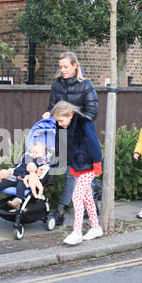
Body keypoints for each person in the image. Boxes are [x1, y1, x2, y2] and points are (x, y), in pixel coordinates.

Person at [42, 51, 99, 226]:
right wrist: (48, 114)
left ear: (75, 66)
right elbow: (52, 108)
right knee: (76, 173)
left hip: (80, 137)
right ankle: (94, 205)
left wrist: (77, 124)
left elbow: (92, 111)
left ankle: (60, 212)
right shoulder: (57, 85)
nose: (63, 70)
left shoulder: (86, 85)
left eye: (66, 66)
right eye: (60, 67)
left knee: (71, 174)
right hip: (61, 135)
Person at [51, 101, 103, 245]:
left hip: (89, 165)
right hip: (78, 166)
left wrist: (97, 163)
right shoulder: (63, 126)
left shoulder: (84, 123)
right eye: (57, 121)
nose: (60, 124)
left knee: (76, 196)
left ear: (70, 114)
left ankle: (77, 232)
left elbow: (93, 144)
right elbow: (61, 146)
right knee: (87, 198)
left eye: (61, 120)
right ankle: (96, 227)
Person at [0, 142, 50, 210]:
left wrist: (37, 172)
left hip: (26, 180)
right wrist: (11, 170)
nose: (33, 154)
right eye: (32, 152)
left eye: (36, 153)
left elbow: (40, 175)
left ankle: (17, 201)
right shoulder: (26, 157)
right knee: (6, 182)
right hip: (16, 175)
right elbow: (18, 166)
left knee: (21, 185)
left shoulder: (42, 163)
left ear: (43, 155)